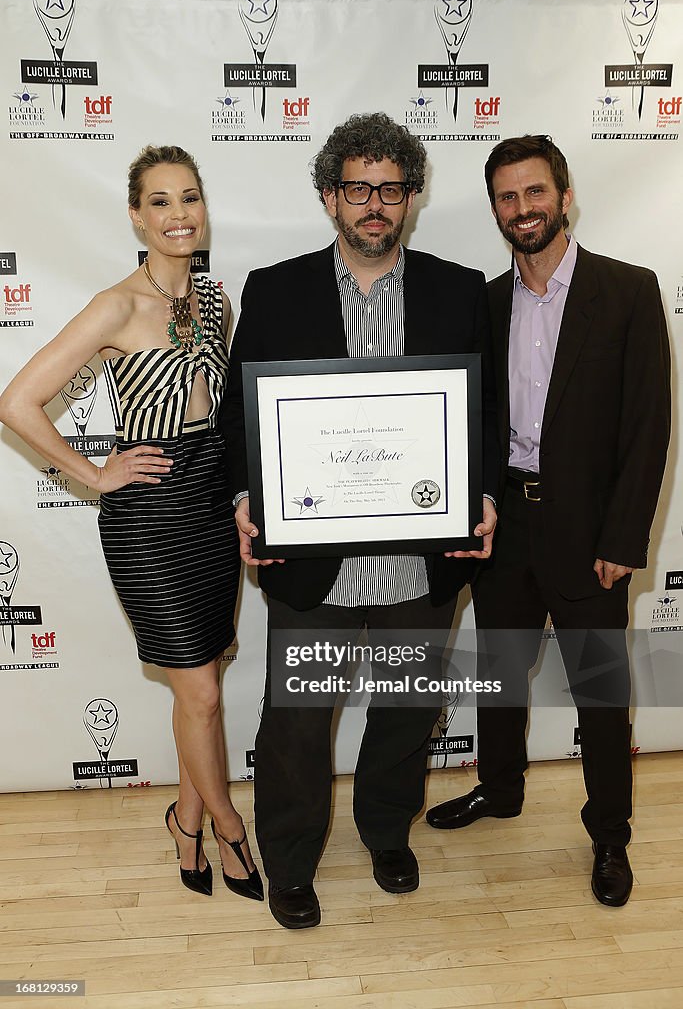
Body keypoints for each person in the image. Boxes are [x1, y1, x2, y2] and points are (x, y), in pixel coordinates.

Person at [220, 112, 499, 929]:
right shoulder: (275, 288)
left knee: (407, 710)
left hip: (422, 554)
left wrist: (478, 496)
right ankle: (292, 860)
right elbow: (242, 422)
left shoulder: (456, 287)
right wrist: (246, 503)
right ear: (328, 197)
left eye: (389, 188)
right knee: (299, 723)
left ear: (410, 197)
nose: (373, 204)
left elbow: (482, 412)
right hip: (313, 557)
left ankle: (385, 832)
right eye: (356, 188)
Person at [0, 144, 262, 903]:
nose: (179, 215)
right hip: (148, 515)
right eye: (160, 202)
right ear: (135, 215)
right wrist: (93, 473)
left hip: (211, 502)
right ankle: (227, 829)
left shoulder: (215, 302)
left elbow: (224, 413)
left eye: (189, 198)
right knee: (203, 695)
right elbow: (17, 403)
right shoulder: (117, 304)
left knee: (201, 685)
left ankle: (185, 819)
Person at [426, 134, 671, 907]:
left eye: (535, 193)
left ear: (564, 197)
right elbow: (470, 419)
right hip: (504, 527)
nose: (522, 209)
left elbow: (647, 428)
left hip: (589, 533)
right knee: (499, 674)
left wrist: (623, 539)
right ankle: (499, 790)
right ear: (495, 208)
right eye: (507, 196)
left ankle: (609, 835)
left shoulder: (628, 290)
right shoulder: (485, 302)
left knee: (599, 689)